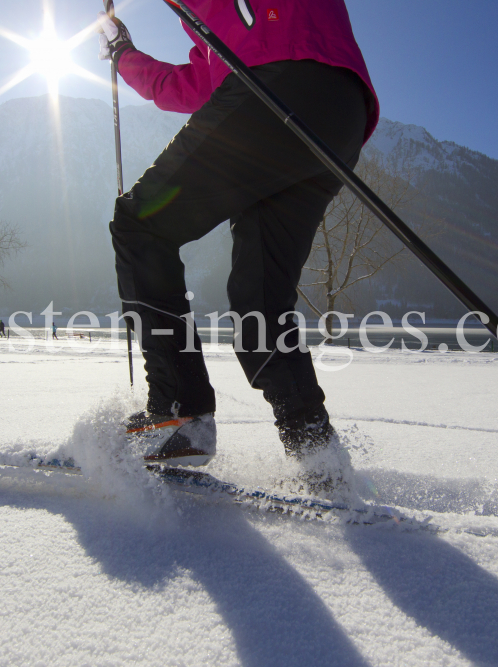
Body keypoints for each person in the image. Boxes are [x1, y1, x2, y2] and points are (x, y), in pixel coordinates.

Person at [99, 1, 378, 492]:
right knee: (261, 300)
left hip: (274, 84)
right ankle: (318, 456)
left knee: (141, 224)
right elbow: (197, 86)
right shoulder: (223, 30)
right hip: (339, 114)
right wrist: (126, 56)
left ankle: (178, 416)